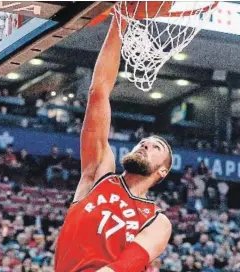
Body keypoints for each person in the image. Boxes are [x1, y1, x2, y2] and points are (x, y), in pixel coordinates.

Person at [54, 15, 173, 272]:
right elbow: (98, 92)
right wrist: (120, 21)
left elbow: (123, 267)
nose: (144, 146)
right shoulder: (98, 174)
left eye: (155, 148)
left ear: (162, 171)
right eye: (142, 142)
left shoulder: (157, 221)